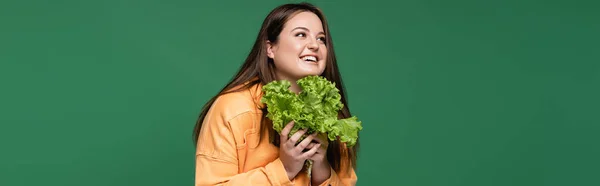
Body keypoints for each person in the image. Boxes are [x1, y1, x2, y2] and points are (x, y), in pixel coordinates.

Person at [192, 2, 359, 186]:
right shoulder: (233, 108)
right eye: (301, 35)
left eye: (321, 39)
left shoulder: (332, 115)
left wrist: (322, 171)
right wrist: (284, 169)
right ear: (270, 48)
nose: (314, 45)